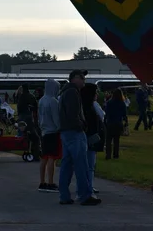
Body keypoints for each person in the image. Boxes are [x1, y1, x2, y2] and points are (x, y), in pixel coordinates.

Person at [58, 69, 101, 206]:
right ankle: (84, 195)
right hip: (74, 132)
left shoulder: (65, 92)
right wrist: (82, 125)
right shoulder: (72, 92)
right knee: (81, 164)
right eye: (81, 77)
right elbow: (73, 114)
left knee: (67, 165)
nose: (84, 80)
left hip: (66, 132)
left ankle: (64, 195)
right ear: (74, 78)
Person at [80, 83, 104, 196]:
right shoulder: (93, 105)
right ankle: (88, 188)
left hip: (83, 138)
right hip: (91, 138)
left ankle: (86, 186)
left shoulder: (81, 105)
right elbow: (102, 115)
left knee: (84, 165)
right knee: (90, 165)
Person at [37, 78, 61, 193]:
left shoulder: (41, 100)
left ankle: (42, 182)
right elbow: (56, 118)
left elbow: (38, 117)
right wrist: (59, 128)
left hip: (44, 131)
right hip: (52, 131)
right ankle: (50, 182)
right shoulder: (53, 101)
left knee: (44, 158)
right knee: (52, 157)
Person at [104, 88, 128, 160]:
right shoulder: (122, 103)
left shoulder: (109, 102)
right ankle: (116, 155)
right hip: (118, 123)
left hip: (110, 122)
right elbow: (124, 114)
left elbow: (106, 113)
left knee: (108, 140)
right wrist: (126, 122)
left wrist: (105, 121)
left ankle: (108, 155)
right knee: (116, 140)